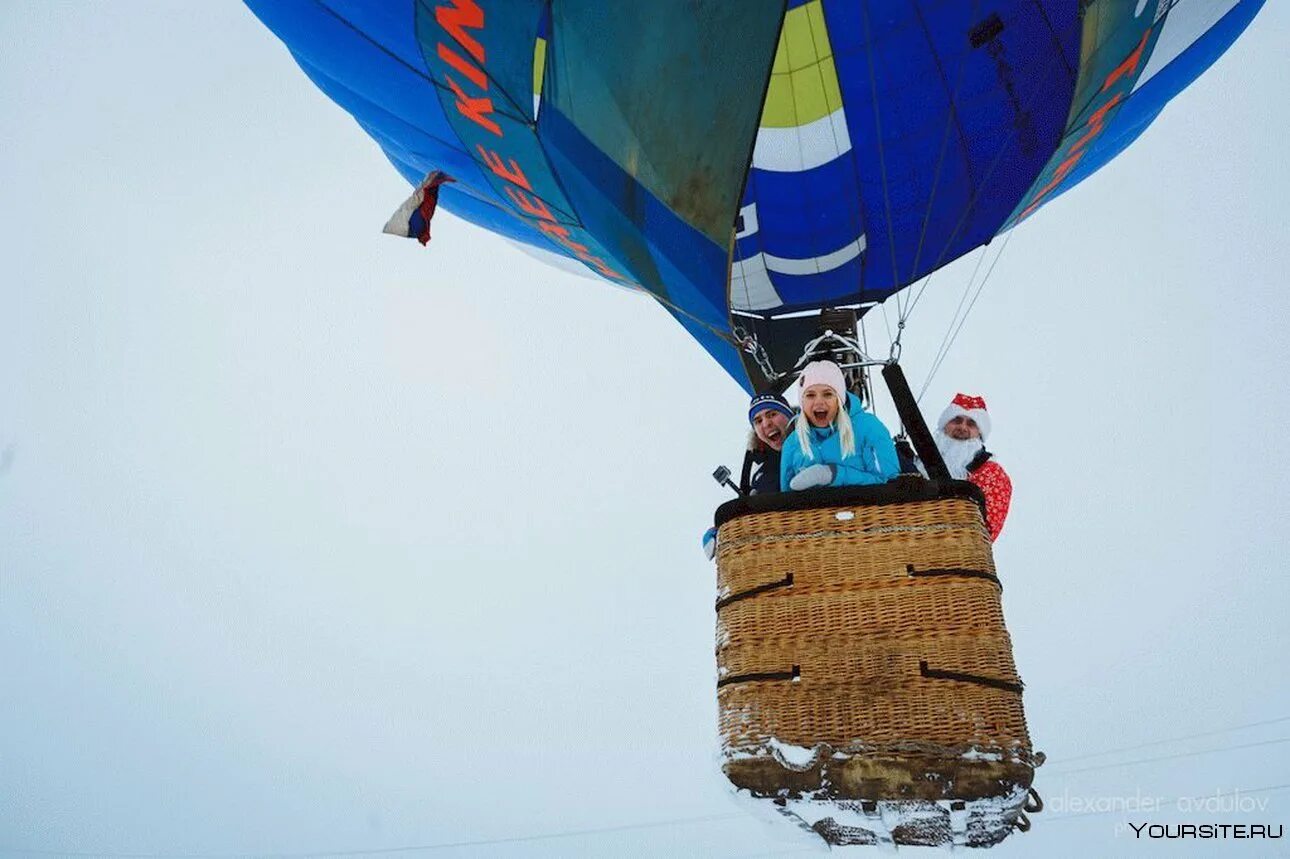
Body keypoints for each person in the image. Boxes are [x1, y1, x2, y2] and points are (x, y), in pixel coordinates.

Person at [780, 360, 899, 491]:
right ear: (802, 401)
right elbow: (786, 499)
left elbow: (889, 484)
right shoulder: (792, 443)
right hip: (814, 512)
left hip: (865, 510)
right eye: (810, 395)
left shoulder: (868, 428)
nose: (819, 402)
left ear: (840, 399)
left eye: (828, 394)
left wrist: (833, 474)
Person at [930, 393, 1012, 542]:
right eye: (957, 420)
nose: (962, 427)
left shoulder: (992, 474)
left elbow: (987, 529)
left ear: (979, 432)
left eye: (971, 423)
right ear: (945, 425)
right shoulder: (919, 463)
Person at [742, 392, 794, 495]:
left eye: (772, 414)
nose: (766, 424)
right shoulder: (757, 465)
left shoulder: (815, 446)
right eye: (758, 421)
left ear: (790, 417)